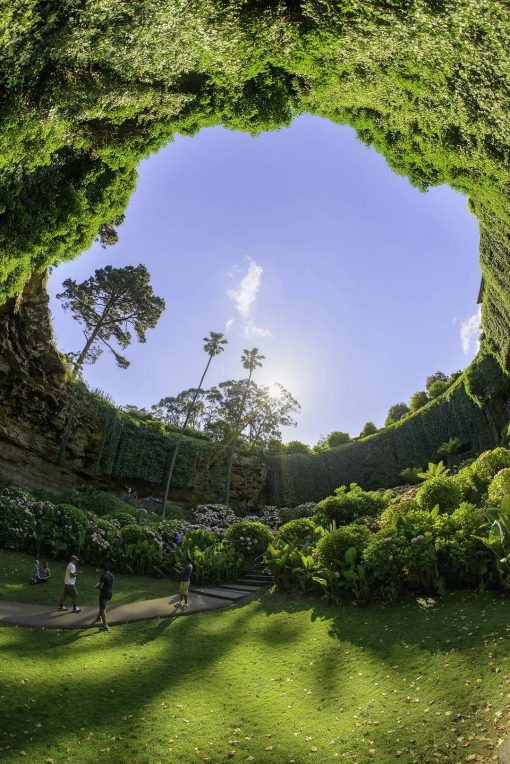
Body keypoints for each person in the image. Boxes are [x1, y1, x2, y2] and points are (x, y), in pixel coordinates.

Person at [94, 562, 114, 632]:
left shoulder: (103, 576)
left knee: (102, 609)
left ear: (103, 569)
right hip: (110, 593)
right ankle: (99, 617)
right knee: (102, 606)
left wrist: (97, 587)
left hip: (104, 594)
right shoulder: (111, 575)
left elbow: (101, 586)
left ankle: (105, 626)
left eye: (100, 568)